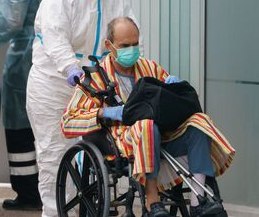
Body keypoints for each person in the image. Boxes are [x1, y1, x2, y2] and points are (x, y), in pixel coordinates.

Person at [61, 17, 235, 217]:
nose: (132, 50)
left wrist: (175, 89)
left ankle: (199, 201)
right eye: (125, 45)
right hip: (121, 140)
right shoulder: (96, 78)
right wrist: (104, 112)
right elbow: (68, 122)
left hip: (162, 135)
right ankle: (152, 200)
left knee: (199, 122)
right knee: (147, 125)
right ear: (109, 46)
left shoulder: (149, 68)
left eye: (135, 44)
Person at [26, 0, 139, 217]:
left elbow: (128, 33)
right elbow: (55, 39)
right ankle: (55, 213)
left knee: (96, 153)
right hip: (53, 86)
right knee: (54, 155)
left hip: (96, 85)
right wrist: (70, 69)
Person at [0, 0, 66, 211]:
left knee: (20, 127)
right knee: (50, 129)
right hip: (55, 64)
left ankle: (26, 193)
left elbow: (8, 24)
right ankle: (53, 188)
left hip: (23, 64)